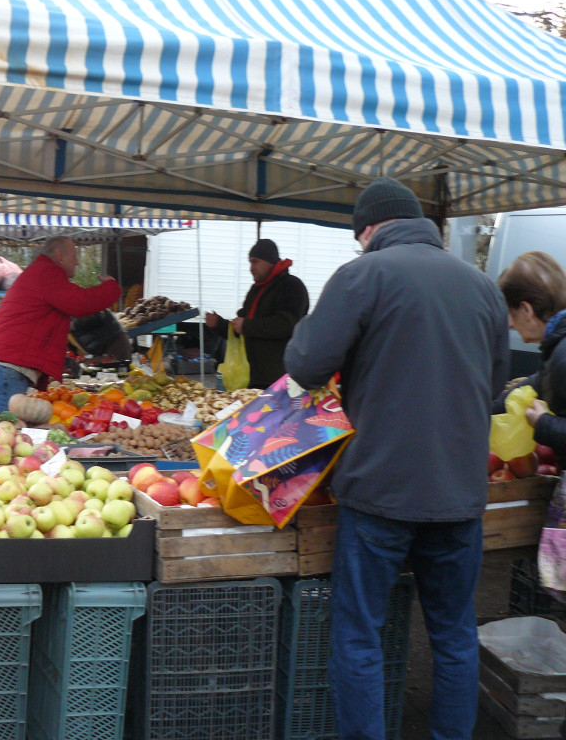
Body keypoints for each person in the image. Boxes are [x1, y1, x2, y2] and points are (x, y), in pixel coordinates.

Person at [283, 177, 509, 740]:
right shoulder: (483, 287)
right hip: (459, 494)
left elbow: (306, 365)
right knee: (455, 635)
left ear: (368, 229)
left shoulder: (363, 274)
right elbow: (496, 387)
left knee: (359, 633)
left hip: (380, 491)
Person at [0, 236, 120, 411]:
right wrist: (111, 287)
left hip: (5, 365)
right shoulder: (47, 273)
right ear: (60, 257)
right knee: (4, 432)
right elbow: (80, 302)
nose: (77, 262)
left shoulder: (42, 272)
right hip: (7, 367)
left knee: (6, 430)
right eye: (74, 256)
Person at [496, 252, 566, 602]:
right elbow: (528, 389)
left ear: (525, 309)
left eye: (510, 315)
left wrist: (544, 424)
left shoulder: (564, 354)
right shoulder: (558, 351)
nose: (509, 325)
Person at [205, 238, 308, 389]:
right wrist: (219, 325)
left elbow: (286, 324)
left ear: (270, 261)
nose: (251, 268)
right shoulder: (256, 289)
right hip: (252, 376)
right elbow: (241, 329)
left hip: (280, 378)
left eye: (255, 262)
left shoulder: (292, 286)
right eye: (250, 262)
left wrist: (246, 326)